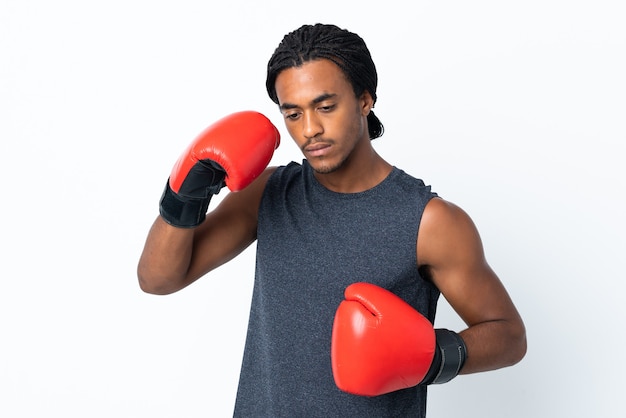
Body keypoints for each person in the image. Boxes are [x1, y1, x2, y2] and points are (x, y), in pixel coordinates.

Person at [137, 23, 527, 417]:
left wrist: (431, 357)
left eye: (325, 107)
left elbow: (509, 336)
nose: (309, 130)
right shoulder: (269, 193)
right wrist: (183, 196)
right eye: (292, 113)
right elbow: (158, 279)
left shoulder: (430, 221)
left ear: (364, 100)